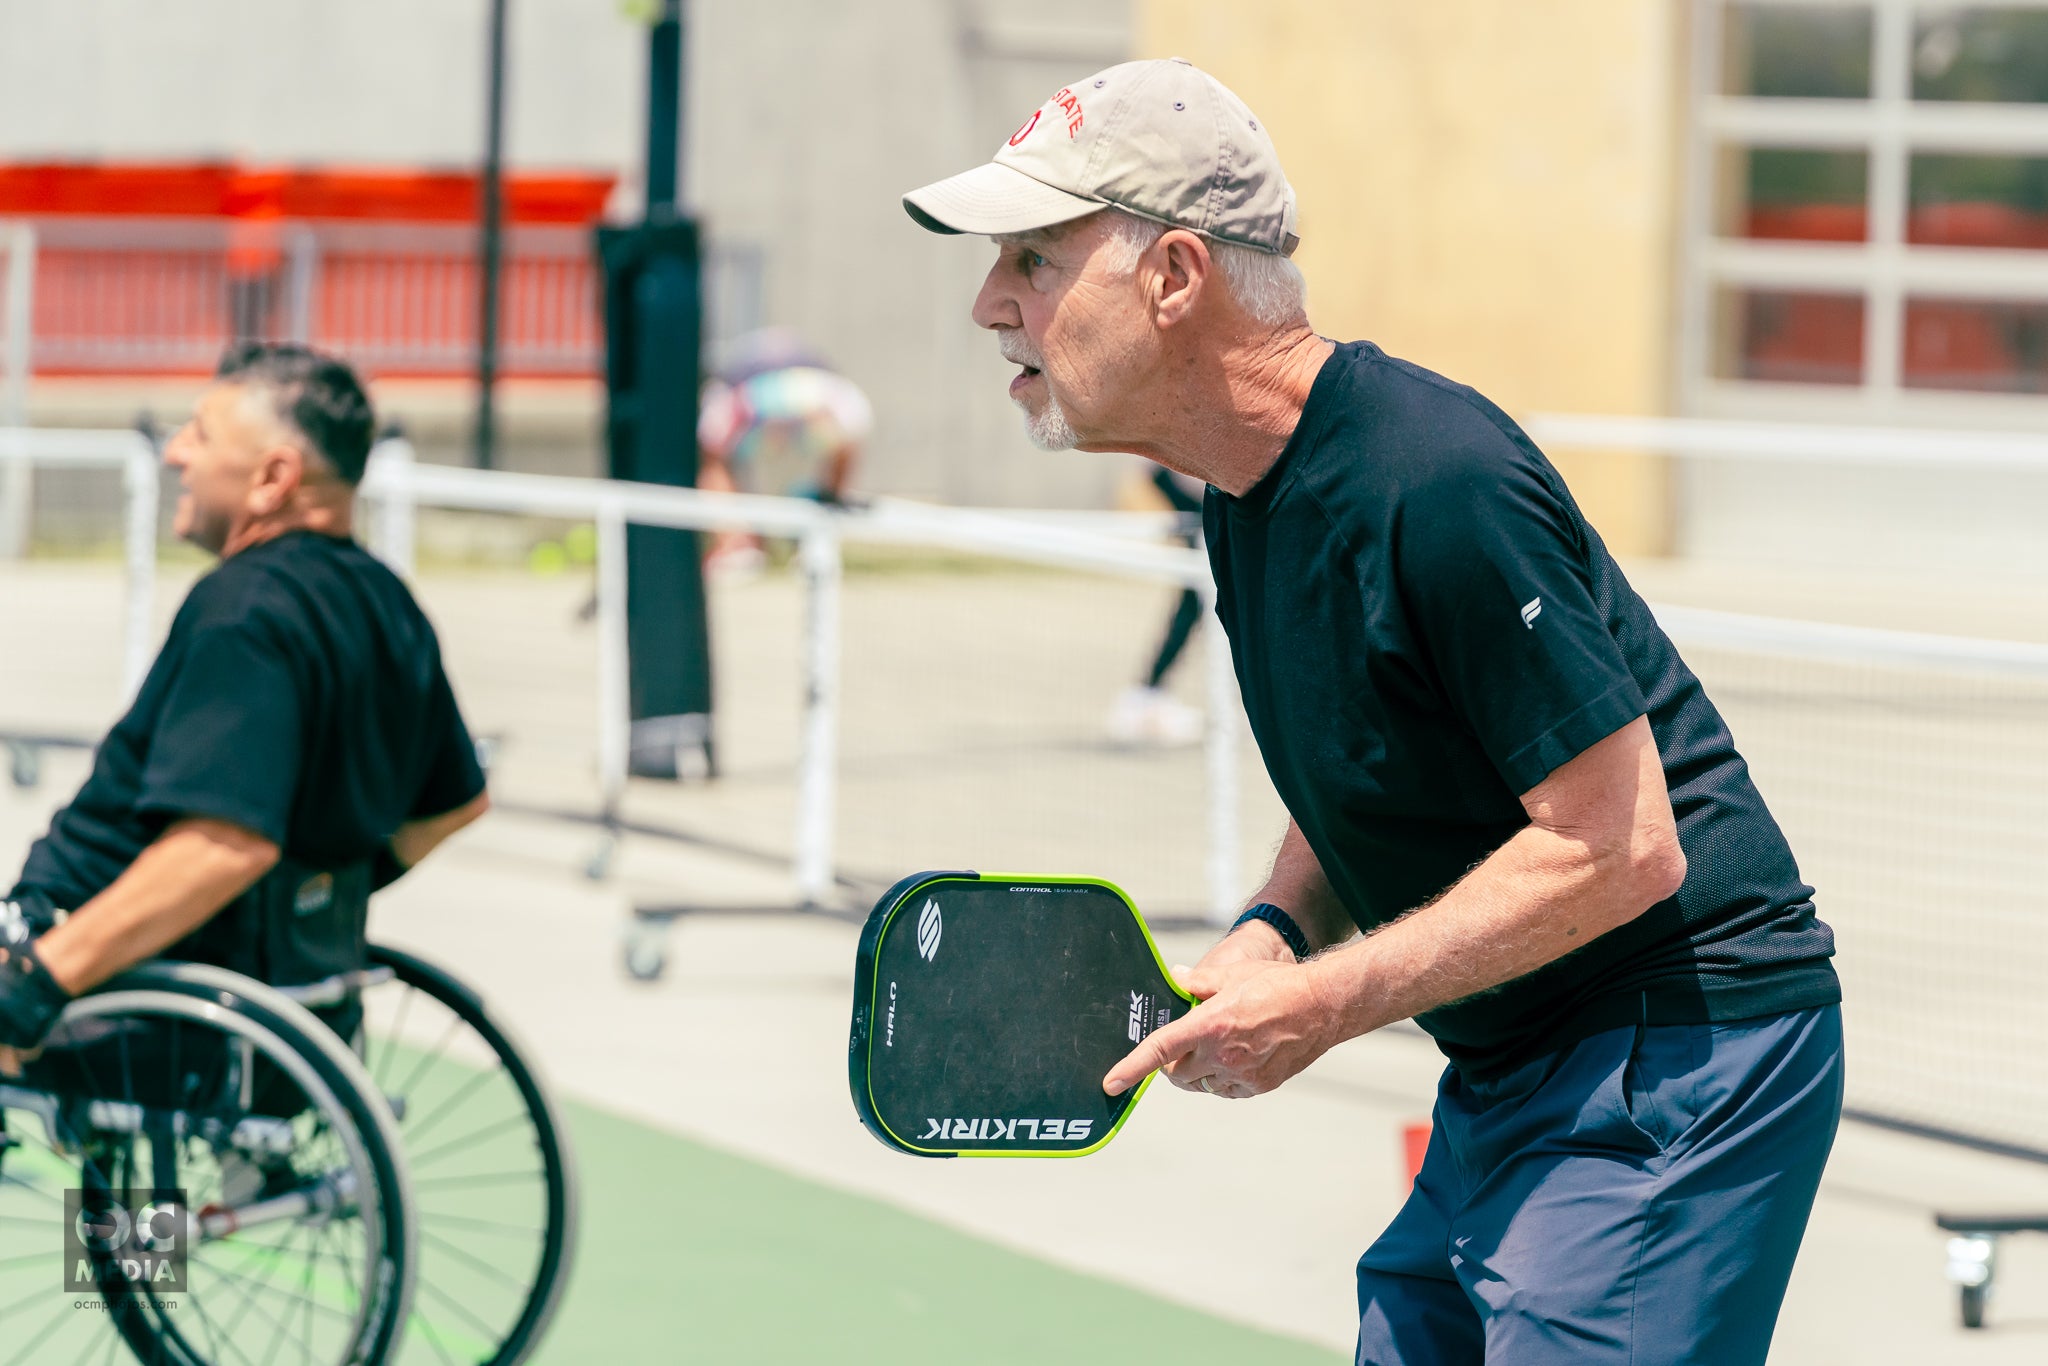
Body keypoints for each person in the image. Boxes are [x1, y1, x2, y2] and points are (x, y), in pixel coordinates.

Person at [903, 58, 1843, 1364]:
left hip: (1677, 1056)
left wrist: (1322, 1001)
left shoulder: (1435, 478)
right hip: (1519, 1057)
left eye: (1035, 260)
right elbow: (1367, 753)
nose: (988, 302)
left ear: (1175, 278)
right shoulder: (1241, 491)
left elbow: (1623, 843)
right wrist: (1275, 927)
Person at [0, 342, 488, 1071]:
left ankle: (128, 1195)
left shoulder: (245, 614)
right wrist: (308, 903)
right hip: (293, 993)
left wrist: (36, 981)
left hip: (128, 987)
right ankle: (165, 1197)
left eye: (200, 433)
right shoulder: (387, 602)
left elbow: (225, 846)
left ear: (273, 478)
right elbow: (452, 805)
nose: (175, 454)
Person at [696, 328, 871, 578]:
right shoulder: (839, 398)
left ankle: (737, 545)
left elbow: (712, 449)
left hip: (773, 393)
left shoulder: (731, 392)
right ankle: (752, 544)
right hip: (808, 392)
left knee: (713, 457)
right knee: (847, 441)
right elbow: (853, 429)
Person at [1106, 463, 1205, 746]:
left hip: (1196, 496)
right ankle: (1146, 696)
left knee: (1197, 609)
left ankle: (1149, 694)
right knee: (1194, 608)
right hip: (1192, 494)